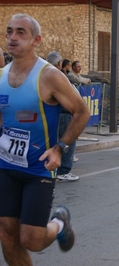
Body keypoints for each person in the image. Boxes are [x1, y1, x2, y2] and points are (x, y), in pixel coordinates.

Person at [0, 14, 90, 264]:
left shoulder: (48, 75)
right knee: (7, 235)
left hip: (39, 167)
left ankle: (59, 223)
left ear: (36, 40)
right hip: (6, 166)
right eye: (9, 32)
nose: (13, 37)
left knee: (31, 240)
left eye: (20, 32)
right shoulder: (1, 76)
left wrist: (60, 148)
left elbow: (82, 111)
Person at [47, 51, 80, 181]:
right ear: (59, 64)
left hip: (51, 114)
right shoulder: (59, 77)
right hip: (64, 113)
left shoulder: (42, 76)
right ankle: (63, 170)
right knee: (67, 142)